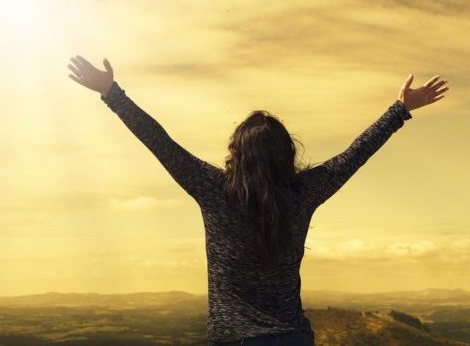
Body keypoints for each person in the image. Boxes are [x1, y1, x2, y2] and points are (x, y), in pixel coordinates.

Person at [67, 55, 449, 346]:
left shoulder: (213, 189)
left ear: (236, 151)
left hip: (234, 339)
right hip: (292, 337)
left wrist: (112, 94)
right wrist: (400, 110)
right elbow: (355, 153)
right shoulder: (304, 192)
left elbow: (160, 143)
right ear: (287, 153)